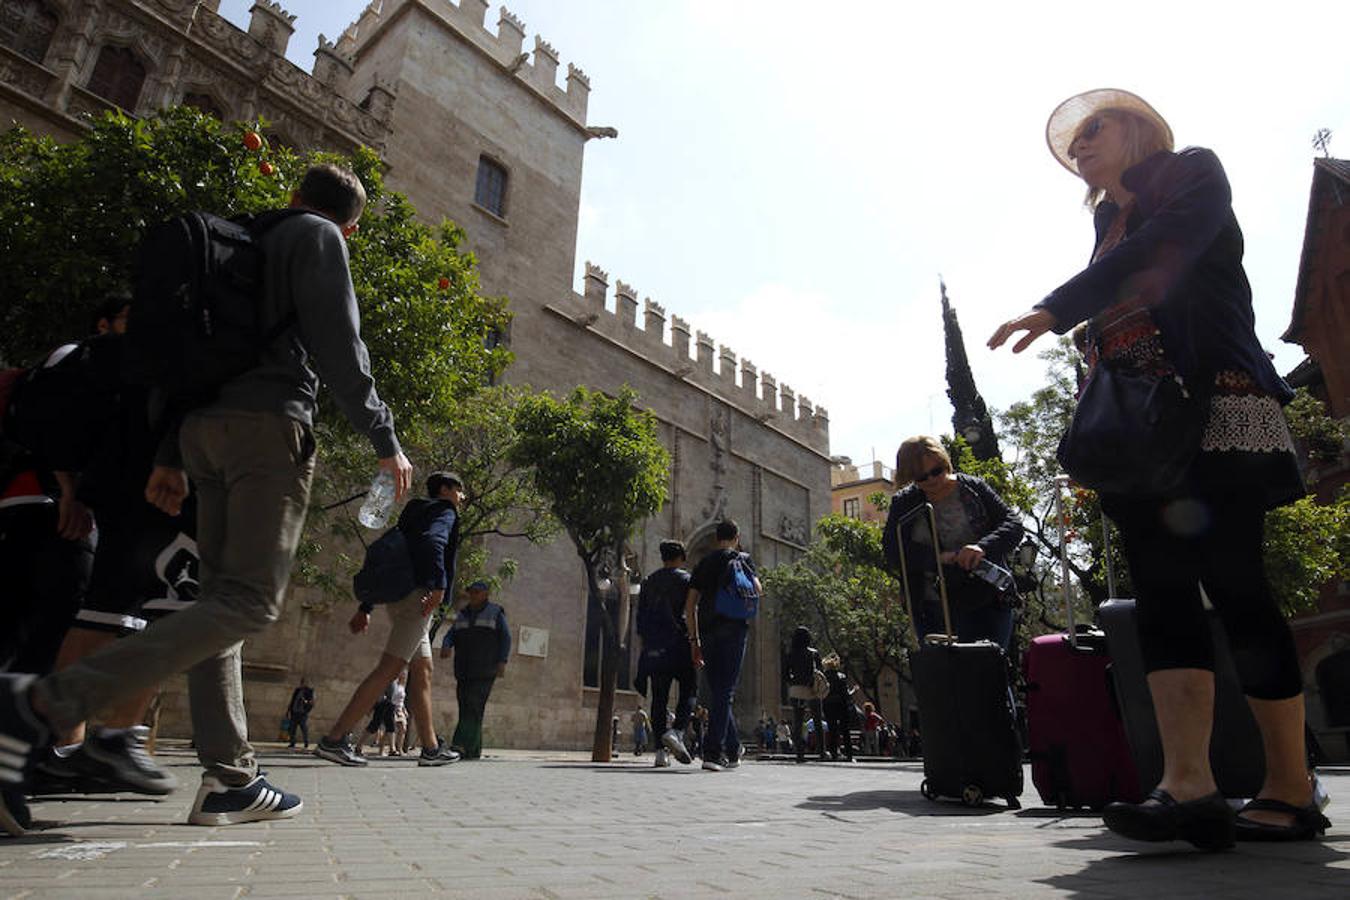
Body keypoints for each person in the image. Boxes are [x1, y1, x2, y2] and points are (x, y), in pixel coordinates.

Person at [0, 164, 414, 832]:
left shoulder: (238, 241)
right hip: (268, 429)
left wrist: (170, 453)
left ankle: (231, 778)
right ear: (352, 226)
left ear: (293, 196)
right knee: (250, 602)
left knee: (219, 601)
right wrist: (384, 438)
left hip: (199, 435)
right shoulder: (319, 238)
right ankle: (40, 706)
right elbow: (341, 344)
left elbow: (183, 357)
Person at [988, 89, 1330, 847]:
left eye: (1094, 129)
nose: (1080, 145)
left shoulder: (1191, 176)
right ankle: (1188, 785)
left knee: (1237, 586)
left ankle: (1291, 787)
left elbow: (1163, 253)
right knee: (1162, 597)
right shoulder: (1107, 226)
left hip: (1210, 405)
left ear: (1139, 130)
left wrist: (1055, 307)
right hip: (1137, 435)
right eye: (1072, 141)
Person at [316, 471, 466, 767]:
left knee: (422, 671)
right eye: (460, 491)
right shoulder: (444, 511)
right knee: (389, 669)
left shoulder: (413, 513)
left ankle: (432, 748)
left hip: (400, 598)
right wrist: (438, 587)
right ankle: (333, 740)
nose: (462, 497)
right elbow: (433, 543)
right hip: (419, 601)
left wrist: (366, 607)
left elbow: (392, 558)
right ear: (446, 489)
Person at [881, 436, 1024, 651]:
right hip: (932, 606)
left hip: (987, 597)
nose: (931, 480)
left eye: (937, 471)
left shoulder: (972, 488)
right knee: (947, 680)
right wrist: (937, 558)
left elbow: (1013, 525)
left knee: (990, 675)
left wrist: (982, 548)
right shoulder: (904, 503)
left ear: (944, 462)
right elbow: (892, 551)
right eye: (921, 476)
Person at [686, 520, 761, 772]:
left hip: (707, 632)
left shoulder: (704, 563)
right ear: (737, 537)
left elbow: (690, 605)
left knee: (719, 690)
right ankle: (712, 753)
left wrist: (694, 640)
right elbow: (757, 591)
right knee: (725, 692)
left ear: (716, 538)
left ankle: (732, 748)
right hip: (734, 630)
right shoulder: (743, 559)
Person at [634, 540, 695, 768]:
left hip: (655, 647)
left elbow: (640, 618)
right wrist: (695, 642)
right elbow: (690, 613)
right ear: (680, 557)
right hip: (679, 643)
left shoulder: (648, 582)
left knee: (658, 698)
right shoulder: (687, 580)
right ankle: (677, 732)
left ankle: (660, 752)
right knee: (689, 690)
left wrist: (645, 647)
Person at [440, 580, 510, 760]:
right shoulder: (462, 615)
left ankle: (460, 745)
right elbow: (451, 634)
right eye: (471, 592)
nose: (473, 595)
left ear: (486, 594)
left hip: (485, 669)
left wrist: (502, 661)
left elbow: (506, 637)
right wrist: (446, 645)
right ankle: (473, 750)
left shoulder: (495, 613)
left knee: (474, 705)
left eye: (477, 592)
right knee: (466, 706)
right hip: (464, 669)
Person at [784, 626, 826, 763]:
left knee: (797, 722)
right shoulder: (813, 653)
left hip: (796, 689)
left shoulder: (790, 654)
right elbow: (820, 671)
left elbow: (785, 673)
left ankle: (799, 754)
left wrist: (793, 682)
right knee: (818, 721)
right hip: (811, 689)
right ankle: (821, 752)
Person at [821, 655, 855, 761]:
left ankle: (834, 753)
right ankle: (849, 755)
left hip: (828, 704)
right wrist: (853, 690)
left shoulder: (824, 676)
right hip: (841, 704)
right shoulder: (842, 676)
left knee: (832, 729)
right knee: (845, 730)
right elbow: (846, 694)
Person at [286, 678, 314, 749]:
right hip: (295, 712)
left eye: (304, 683)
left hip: (302, 713)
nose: (302, 684)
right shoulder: (297, 690)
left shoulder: (309, 691)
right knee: (292, 728)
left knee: (303, 728)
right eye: (301, 682)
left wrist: (305, 701)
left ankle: (306, 742)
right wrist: (288, 710)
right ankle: (292, 742)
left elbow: (311, 702)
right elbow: (292, 700)